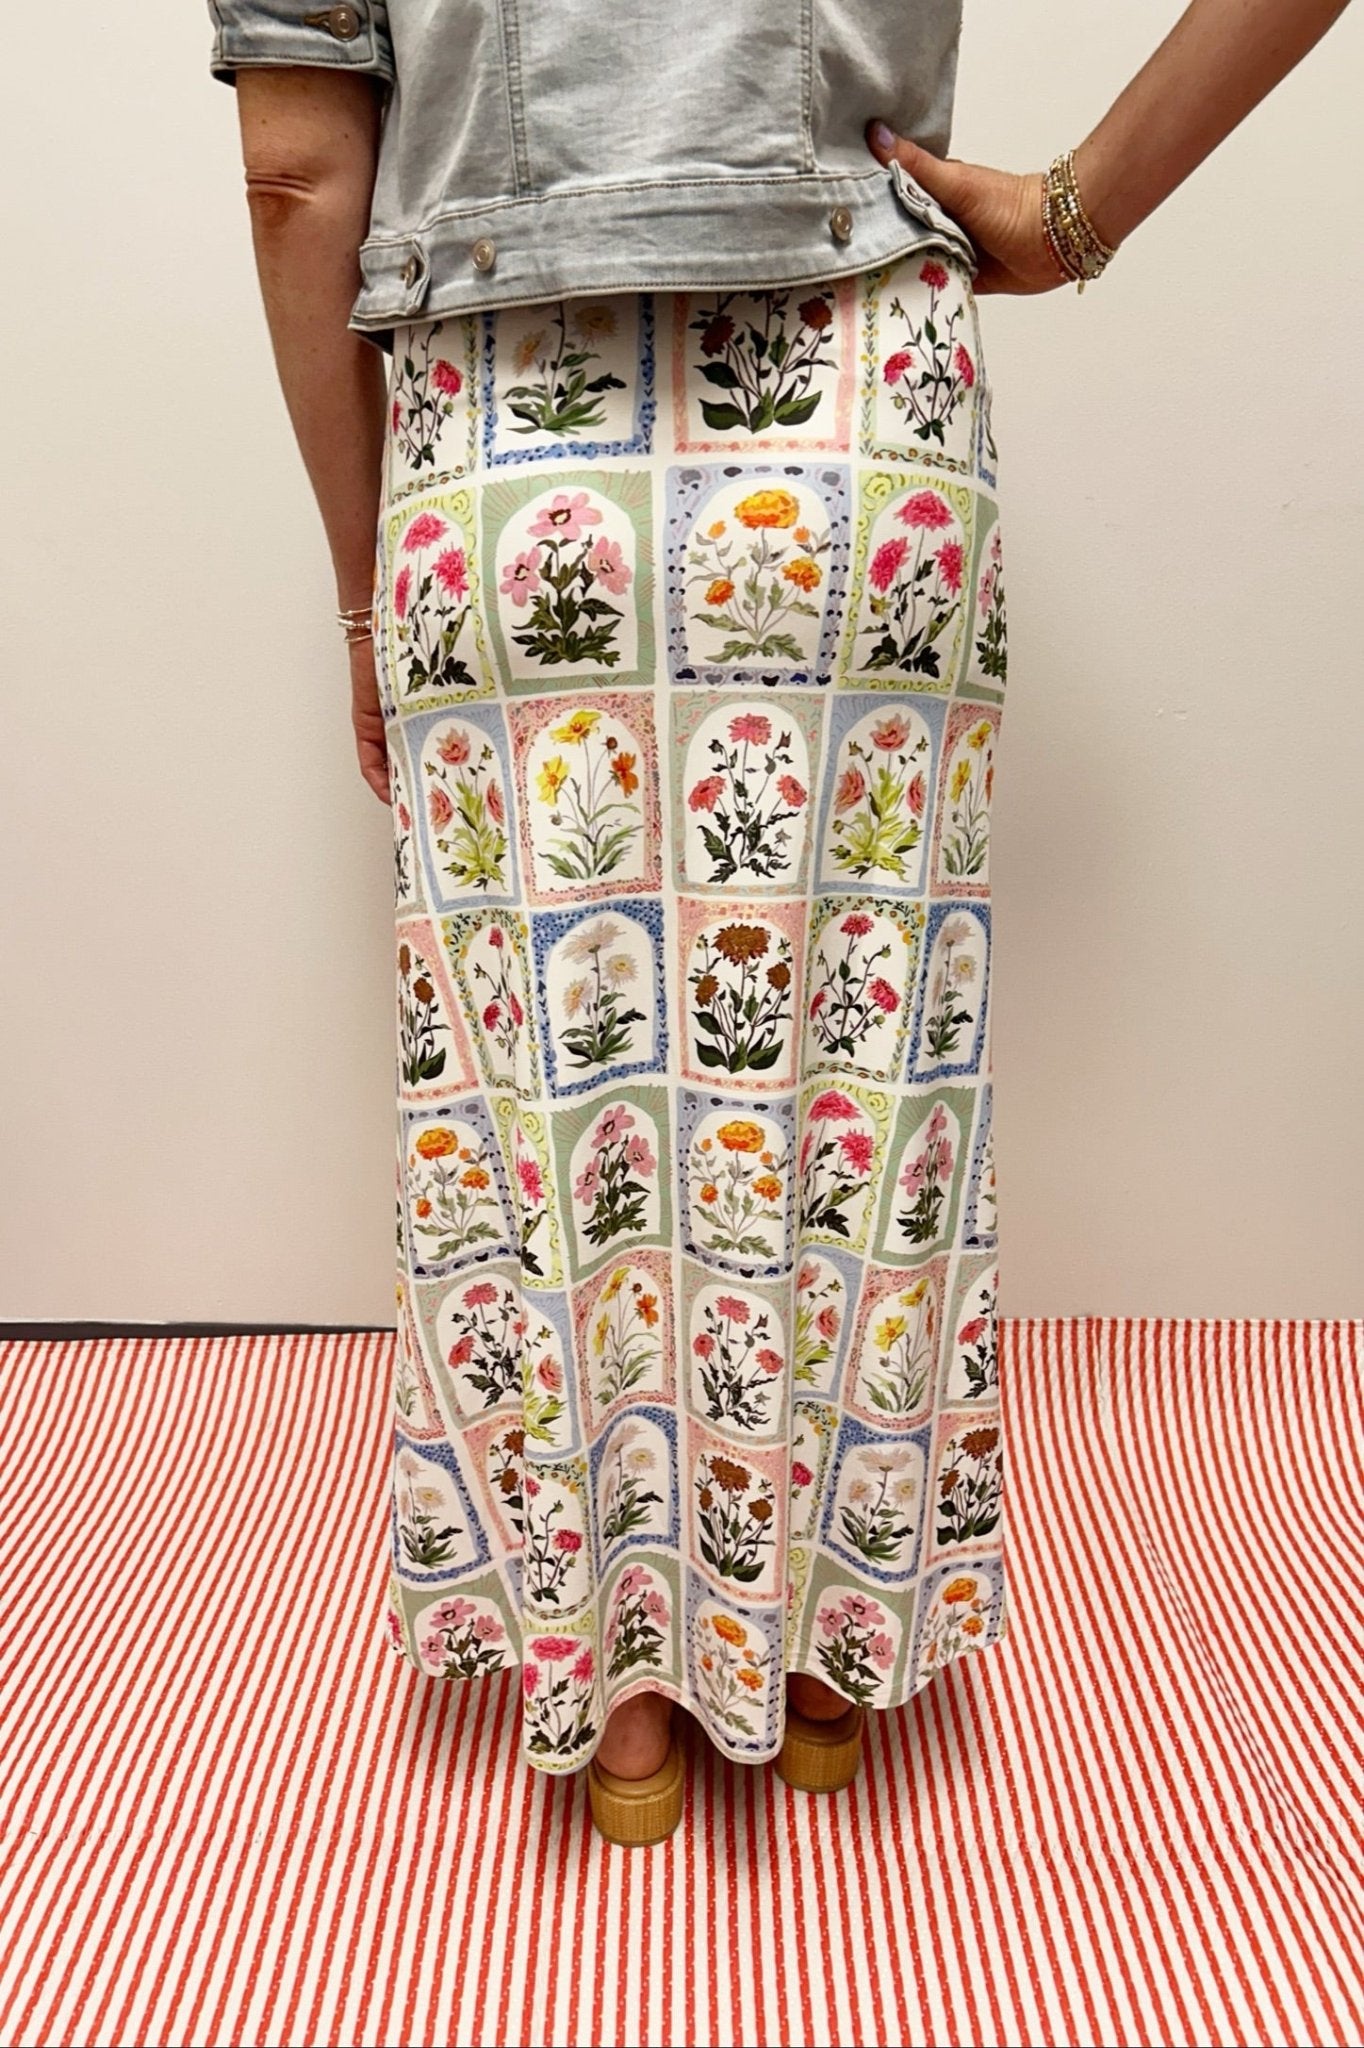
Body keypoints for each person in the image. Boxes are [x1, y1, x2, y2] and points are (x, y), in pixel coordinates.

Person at [204, 0, 1353, 1845]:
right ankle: (832, 1656)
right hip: (859, 429)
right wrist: (1073, 212)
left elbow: (295, 174)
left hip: (508, 455)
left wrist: (364, 594)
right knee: (858, 1063)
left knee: (550, 1087)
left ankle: (621, 1696)